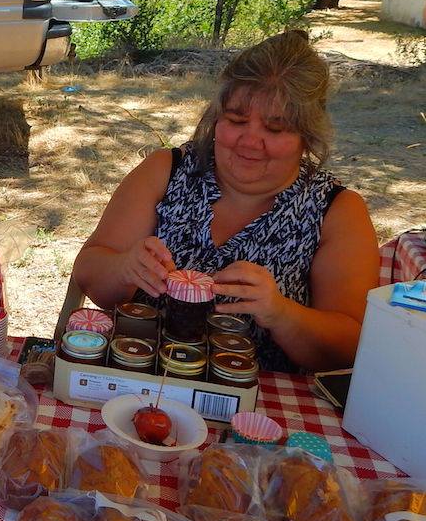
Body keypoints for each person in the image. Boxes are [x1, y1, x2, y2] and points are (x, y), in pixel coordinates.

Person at [73, 30, 379, 373]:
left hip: (263, 401)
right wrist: (125, 268)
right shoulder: (166, 170)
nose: (251, 141)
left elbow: (350, 347)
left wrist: (280, 313)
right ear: (215, 119)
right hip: (139, 375)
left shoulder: (336, 210)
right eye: (236, 120)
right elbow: (89, 273)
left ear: (307, 138)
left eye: (275, 129)